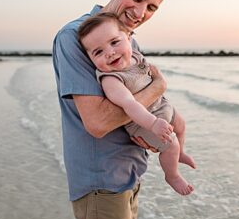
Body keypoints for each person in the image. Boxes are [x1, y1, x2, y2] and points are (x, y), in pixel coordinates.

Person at [52, 0, 179, 219]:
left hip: (128, 178)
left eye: (151, 7)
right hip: (102, 184)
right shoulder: (74, 36)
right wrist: (158, 87)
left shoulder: (128, 40)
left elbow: (138, 107)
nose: (140, 12)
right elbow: (98, 123)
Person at [77, 12, 195, 196]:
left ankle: (180, 153)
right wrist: (153, 124)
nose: (110, 52)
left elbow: (150, 75)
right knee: (170, 144)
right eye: (98, 52)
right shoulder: (111, 79)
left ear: (129, 37)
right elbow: (129, 105)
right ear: (90, 59)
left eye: (114, 42)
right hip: (142, 122)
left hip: (161, 106)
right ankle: (172, 175)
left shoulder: (136, 56)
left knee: (180, 125)